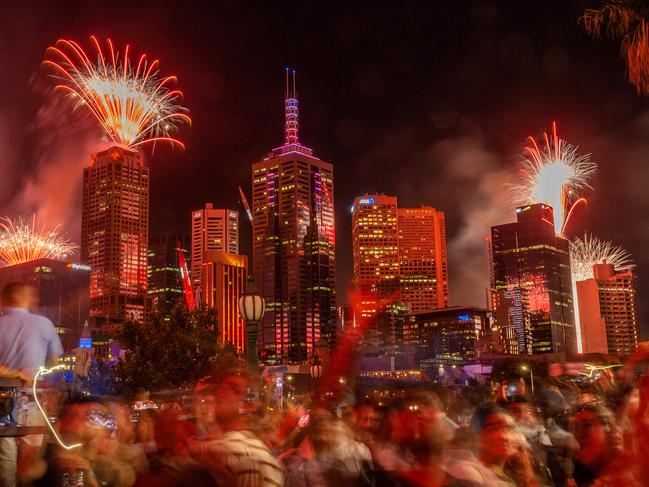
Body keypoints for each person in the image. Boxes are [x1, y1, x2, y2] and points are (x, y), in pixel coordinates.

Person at [0, 281, 63, 487]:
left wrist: (14, 372)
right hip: (32, 399)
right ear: (23, 297)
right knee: (29, 461)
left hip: (2, 402)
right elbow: (55, 361)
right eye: (31, 296)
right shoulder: (44, 324)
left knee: (6, 458)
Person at [189, 365, 284, 487]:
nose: (220, 393)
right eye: (221, 387)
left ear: (248, 406)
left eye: (233, 389)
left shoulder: (249, 456)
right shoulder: (217, 447)